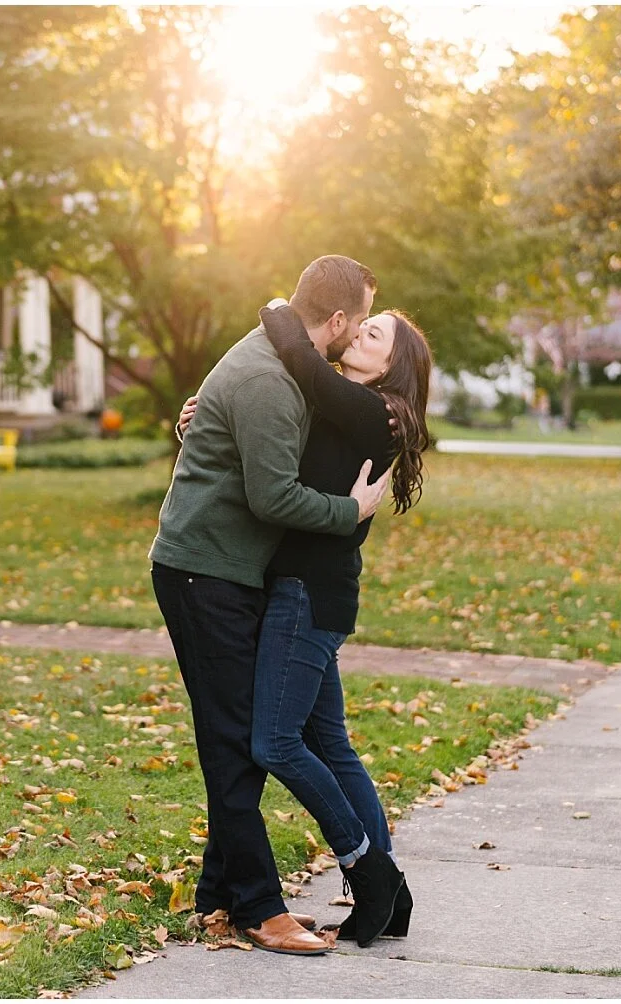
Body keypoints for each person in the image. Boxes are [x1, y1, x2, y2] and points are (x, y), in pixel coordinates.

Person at [149, 255, 388, 956]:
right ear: (337, 320)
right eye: (363, 319)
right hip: (202, 572)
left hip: (226, 570)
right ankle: (259, 907)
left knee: (240, 735)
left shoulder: (285, 372)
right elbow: (273, 497)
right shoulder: (269, 380)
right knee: (233, 742)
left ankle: (217, 897)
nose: (363, 332)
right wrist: (350, 512)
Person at [176, 301, 433, 948]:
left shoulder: (374, 411)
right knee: (331, 744)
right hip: (310, 595)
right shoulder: (349, 409)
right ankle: (391, 890)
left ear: (390, 365)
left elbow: (299, 360)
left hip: (304, 597)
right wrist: (207, 420)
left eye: (371, 332)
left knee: (275, 744)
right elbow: (278, 441)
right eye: (357, 322)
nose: (354, 333)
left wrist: (277, 309)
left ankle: (365, 868)